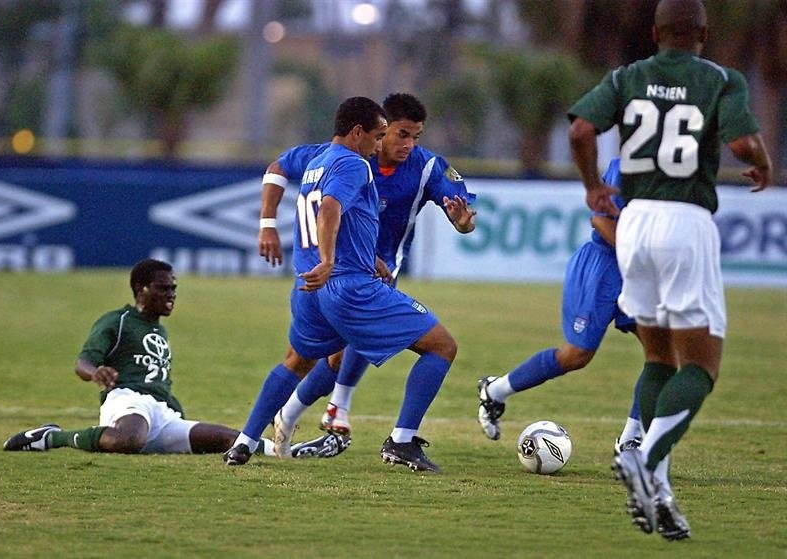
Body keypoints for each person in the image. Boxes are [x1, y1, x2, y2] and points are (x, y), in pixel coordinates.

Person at [568, 0, 772, 540]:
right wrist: (763, 161)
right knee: (701, 367)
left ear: (656, 32)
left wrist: (592, 183)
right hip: (685, 221)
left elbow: (581, 129)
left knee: (658, 355)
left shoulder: (628, 76)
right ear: (703, 33)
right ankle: (647, 456)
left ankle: (657, 480)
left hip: (633, 224)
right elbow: (743, 143)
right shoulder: (721, 79)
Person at [224, 96, 459, 473]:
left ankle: (244, 442)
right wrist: (331, 262)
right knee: (441, 346)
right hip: (348, 287)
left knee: (296, 362)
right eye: (379, 135)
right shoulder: (355, 164)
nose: (380, 144)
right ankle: (401, 441)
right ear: (357, 133)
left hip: (308, 290)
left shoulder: (316, 163)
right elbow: (331, 208)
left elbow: (341, 217)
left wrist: (368, 257)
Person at [3, 258, 345, 459]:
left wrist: (173, 411)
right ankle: (53, 436)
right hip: (127, 403)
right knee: (129, 439)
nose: (171, 296)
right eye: (164, 289)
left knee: (233, 440)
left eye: (174, 289)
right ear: (140, 290)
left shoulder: (160, 332)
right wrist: (96, 373)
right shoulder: (117, 321)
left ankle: (291, 451)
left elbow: (159, 383)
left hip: (162, 415)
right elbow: (82, 362)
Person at [476, 157, 644, 452]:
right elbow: (601, 219)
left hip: (642, 275)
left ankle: (632, 438)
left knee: (663, 355)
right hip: (603, 268)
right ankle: (495, 390)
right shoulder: (629, 165)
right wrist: (637, 255)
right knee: (577, 355)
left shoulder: (678, 167)